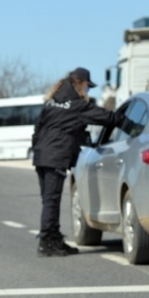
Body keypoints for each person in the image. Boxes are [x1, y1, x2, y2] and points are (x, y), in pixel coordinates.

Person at [31, 67, 119, 257]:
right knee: (52, 200)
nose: (88, 91)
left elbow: (38, 128)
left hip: (41, 156)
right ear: (80, 84)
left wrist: (38, 149)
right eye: (88, 86)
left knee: (48, 200)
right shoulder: (77, 105)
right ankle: (47, 243)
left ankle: (53, 238)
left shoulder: (52, 101)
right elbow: (107, 118)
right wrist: (127, 120)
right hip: (56, 156)